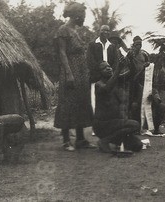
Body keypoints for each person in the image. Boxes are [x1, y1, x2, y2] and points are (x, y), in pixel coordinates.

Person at [54, 2, 95, 151]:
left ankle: (81, 140)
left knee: (81, 103)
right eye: (83, 16)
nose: (84, 19)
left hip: (81, 72)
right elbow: (62, 53)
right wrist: (69, 73)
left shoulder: (76, 31)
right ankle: (66, 141)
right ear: (76, 15)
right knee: (68, 104)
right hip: (71, 72)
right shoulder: (63, 30)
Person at [93, 61, 143, 153]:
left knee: (137, 145)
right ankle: (105, 141)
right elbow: (107, 88)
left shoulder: (117, 79)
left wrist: (130, 59)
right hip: (102, 126)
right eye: (104, 68)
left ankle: (111, 140)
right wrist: (118, 69)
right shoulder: (98, 84)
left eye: (109, 66)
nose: (108, 68)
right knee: (135, 125)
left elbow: (132, 72)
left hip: (115, 126)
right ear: (100, 73)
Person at [128, 36, 165, 134]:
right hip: (135, 84)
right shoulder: (130, 55)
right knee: (134, 105)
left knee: (160, 106)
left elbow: (155, 93)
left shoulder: (144, 55)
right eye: (136, 44)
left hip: (145, 82)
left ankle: (155, 128)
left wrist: (154, 97)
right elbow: (133, 77)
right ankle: (136, 127)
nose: (139, 46)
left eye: (140, 44)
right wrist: (141, 70)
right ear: (133, 44)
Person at [87, 25, 118, 113]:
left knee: (108, 97)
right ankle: (95, 118)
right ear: (99, 31)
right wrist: (100, 73)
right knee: (94, 97)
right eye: (104, 30)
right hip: (96, 76)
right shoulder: (92, 44)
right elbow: (90, 61)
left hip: (109, 78)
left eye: (108, 31)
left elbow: (115, 62)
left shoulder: (112, 46)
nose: (106, 32)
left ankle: (107, 118)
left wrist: (110, 73)